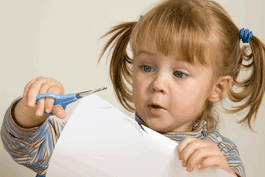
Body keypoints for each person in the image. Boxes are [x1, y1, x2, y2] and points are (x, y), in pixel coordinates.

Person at [1, 0, 265, 176]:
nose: (158, 84)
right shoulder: (101, 136)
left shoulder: (220, 154)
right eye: (147, 67)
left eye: (180, 73)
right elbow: (27, 150)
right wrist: (30, 113)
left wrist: (219, 173)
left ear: (217, 89)